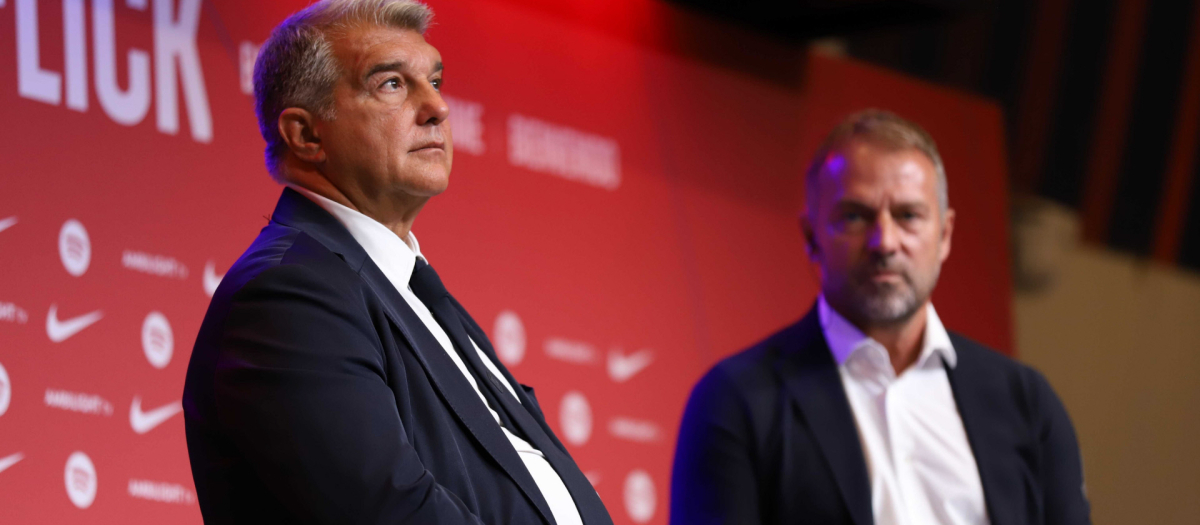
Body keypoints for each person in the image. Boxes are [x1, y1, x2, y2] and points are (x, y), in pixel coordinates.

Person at [182, 2, 612, 524]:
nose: (437, 107)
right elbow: (391, 511)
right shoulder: (287, 294)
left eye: (435, 80)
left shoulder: (418, 294)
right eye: (391, 84)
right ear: (306, 135)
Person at [670, 110, 1090, 525]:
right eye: (855, 216)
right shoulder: (738, 400)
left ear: (944, 235)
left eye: (908, 216)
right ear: (812, 238)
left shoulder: (1027, 404)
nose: (884, 242)